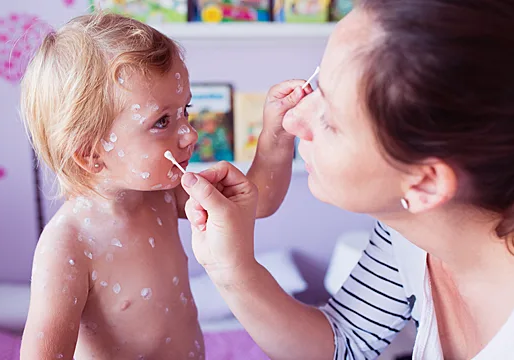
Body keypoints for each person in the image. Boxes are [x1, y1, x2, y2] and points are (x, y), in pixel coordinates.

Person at [180, 1, 514, 359]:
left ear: (426, 184)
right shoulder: (407, 230)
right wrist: (230, 268)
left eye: (330, 120)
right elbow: (343, 343)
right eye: (315, 86)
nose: (290, 122)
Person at [18, 12, 309, 360]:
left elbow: (258, 202)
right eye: (162, 121)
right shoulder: (68, 246)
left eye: (185, 110)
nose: (190, 134)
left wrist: (276, 133)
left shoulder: (162, 196)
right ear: (91, 154)